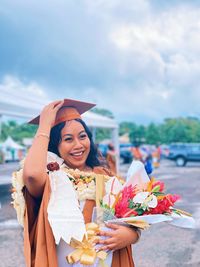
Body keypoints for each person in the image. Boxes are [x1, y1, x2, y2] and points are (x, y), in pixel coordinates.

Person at [22, 99, 140, 267]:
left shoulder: (105, 176)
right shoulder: (51, 178)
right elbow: (32, 175)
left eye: (83, 136)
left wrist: (132, 235)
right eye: (68, 139)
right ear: (55, 145)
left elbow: (133, 218)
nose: (78, 145)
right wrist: (44, 126)